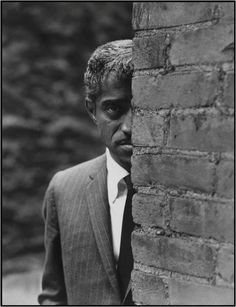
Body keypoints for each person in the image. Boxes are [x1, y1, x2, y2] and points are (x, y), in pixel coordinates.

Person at [38, 39, 135, 305]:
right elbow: (53, 295)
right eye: (114, 108)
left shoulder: (185, 194)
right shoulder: (64, 188)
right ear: (92, 110)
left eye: (141, 108)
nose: (130, 126)